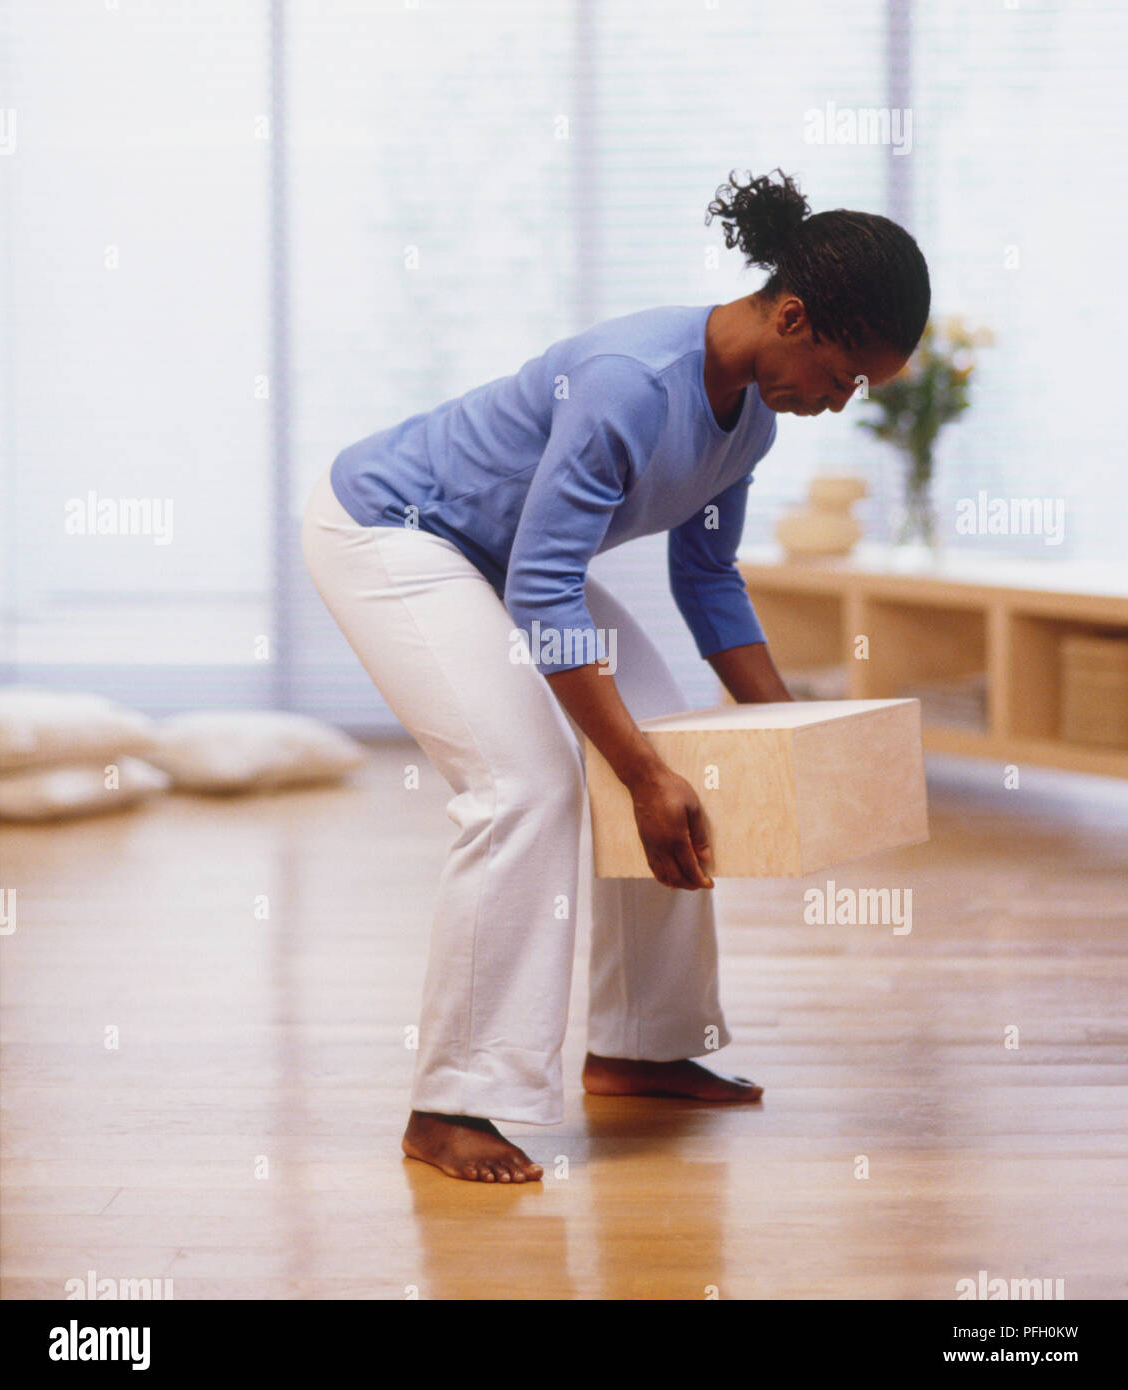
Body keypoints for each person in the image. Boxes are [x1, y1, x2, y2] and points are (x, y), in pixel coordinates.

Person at [301, 168, 931, 1183]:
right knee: (529, 785)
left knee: (676, 752)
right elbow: (549, 596)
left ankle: (640, 1041)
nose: (839, 401)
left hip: (501, 556)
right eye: (843, 374)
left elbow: (709, 579)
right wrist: (633, 771)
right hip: (395, 530)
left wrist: (794, 739)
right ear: (793, 315)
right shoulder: (629, 385)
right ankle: (451, 1101)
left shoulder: (753, 420)